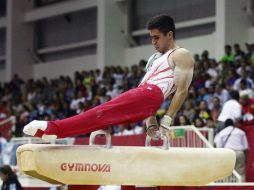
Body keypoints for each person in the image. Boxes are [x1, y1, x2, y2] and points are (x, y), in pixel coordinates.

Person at [23, 15, 194, 141]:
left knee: (103, 113)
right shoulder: (154, 58)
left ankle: (53, 129)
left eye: (157, 38)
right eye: (151, 38)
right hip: (143, 94)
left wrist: (166, 121)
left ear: (169, 35)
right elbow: (144, 86)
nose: (153, 42)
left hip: (152, 94)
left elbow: (182, 90)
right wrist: (151, 122)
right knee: (101, 116)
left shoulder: (181, 54)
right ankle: (53, 132)